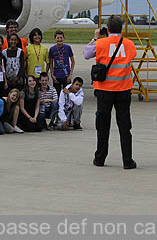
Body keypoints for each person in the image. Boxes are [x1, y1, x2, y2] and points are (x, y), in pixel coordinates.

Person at [84, 15, 138, 170]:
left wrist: (96, 39)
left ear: (107, 29)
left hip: (104, 90)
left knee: (102, 126)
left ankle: (100, 158)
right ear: (121, 29)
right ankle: (127, 161)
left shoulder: (101, 43)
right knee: (124, 126)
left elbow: (86, 54)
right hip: (123, 90)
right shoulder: (129, 44)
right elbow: (131, 56)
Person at [48, 30, 75, 97]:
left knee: (68, 94)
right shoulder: (52, 49)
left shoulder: (68, 48)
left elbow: (73, 61)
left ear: (64, 38)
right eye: (58, 38)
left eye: (61, 38)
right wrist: (52, 74)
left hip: (66, 75)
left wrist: (70, 74)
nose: (59, 39)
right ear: (55, 39)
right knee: (57, 94)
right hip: (56, 76)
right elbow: (50, 63)